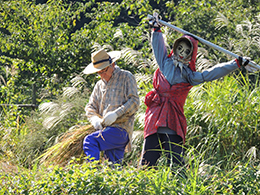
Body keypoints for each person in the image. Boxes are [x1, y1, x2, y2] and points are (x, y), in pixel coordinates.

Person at [140, 13, 256, 167]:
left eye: (186, 51)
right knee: (148, 162)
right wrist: (155, 29)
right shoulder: (165, 63)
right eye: (180, 48)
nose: (181, 53)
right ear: (175, 48)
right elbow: (158, 47)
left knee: (176, 163)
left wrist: (236, 63)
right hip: (155, 117)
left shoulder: (190, 76)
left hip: (172, 120)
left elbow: (213, 72)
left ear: (191, 55)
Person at [82, 48, 140, 164]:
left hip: (121, 129)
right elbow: (90, 106)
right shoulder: (99, 85)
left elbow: (134, 102)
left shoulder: (126, 77)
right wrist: (94, 119)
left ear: (112, 64)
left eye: (104, 71)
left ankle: (92, 172)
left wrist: (116, 114)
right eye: (99, 72)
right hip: (106, 130)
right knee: (112, 168)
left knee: (90, 141)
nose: (102, 75)